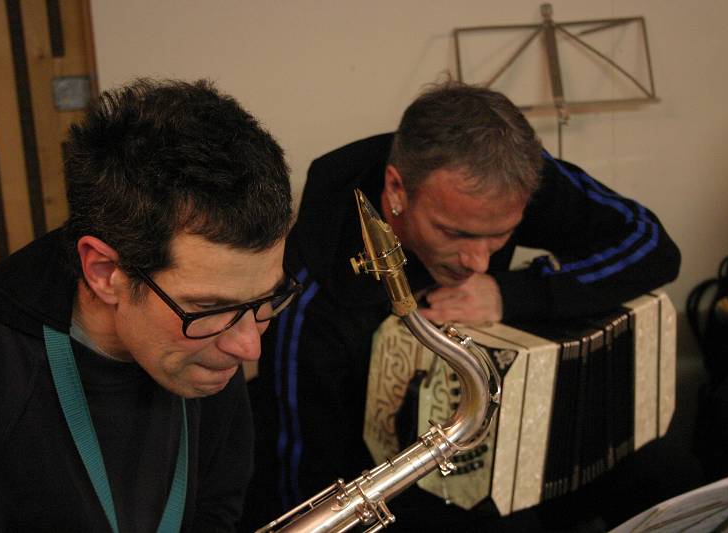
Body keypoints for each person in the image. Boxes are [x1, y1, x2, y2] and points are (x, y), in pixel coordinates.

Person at [241, 81, 681, 531]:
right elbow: (307, 484)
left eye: (501, 234)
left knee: (663, 469)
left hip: (506, 428)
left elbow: (650, 244)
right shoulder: (314, 289)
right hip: (394, 483)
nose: (479, 261)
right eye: (456, 234)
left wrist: (510, 293)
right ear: (397, 188)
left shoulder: (504, 179)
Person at [0, 79, 297, 532]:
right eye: (210, 308)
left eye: (266, 300)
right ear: (104, 271)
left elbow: (217, 506)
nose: (249, 348)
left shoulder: (215, 340)